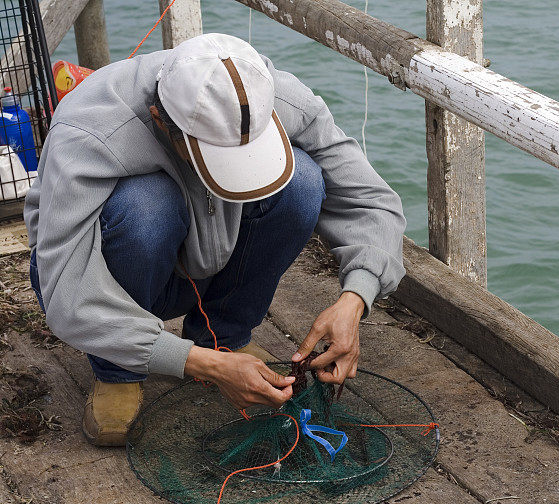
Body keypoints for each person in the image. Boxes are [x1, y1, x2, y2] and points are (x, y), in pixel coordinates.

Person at [23, 33, 406, 446]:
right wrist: (196, 365)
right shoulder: (88, 130)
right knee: (147, 205)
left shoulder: (273, 94)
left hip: (212, 256)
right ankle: (118, 369)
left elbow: (371, 199)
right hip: (115, 272)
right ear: (159, 119)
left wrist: (356, 300)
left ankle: (224, 341)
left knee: (304, 182)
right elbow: (66, 291)